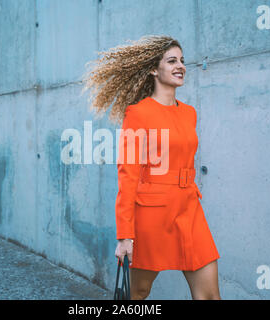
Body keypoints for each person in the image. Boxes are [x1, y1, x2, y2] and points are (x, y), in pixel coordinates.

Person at [82, 35, 221, 300]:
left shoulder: (189, 112)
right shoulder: (138, 113)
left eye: (182, 60)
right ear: (154, 70)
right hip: (152, 215)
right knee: (138, 292)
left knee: (209, 295)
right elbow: (128, 174)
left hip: (189, 209)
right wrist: (125, 235)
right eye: (171, 61)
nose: (180, 66)